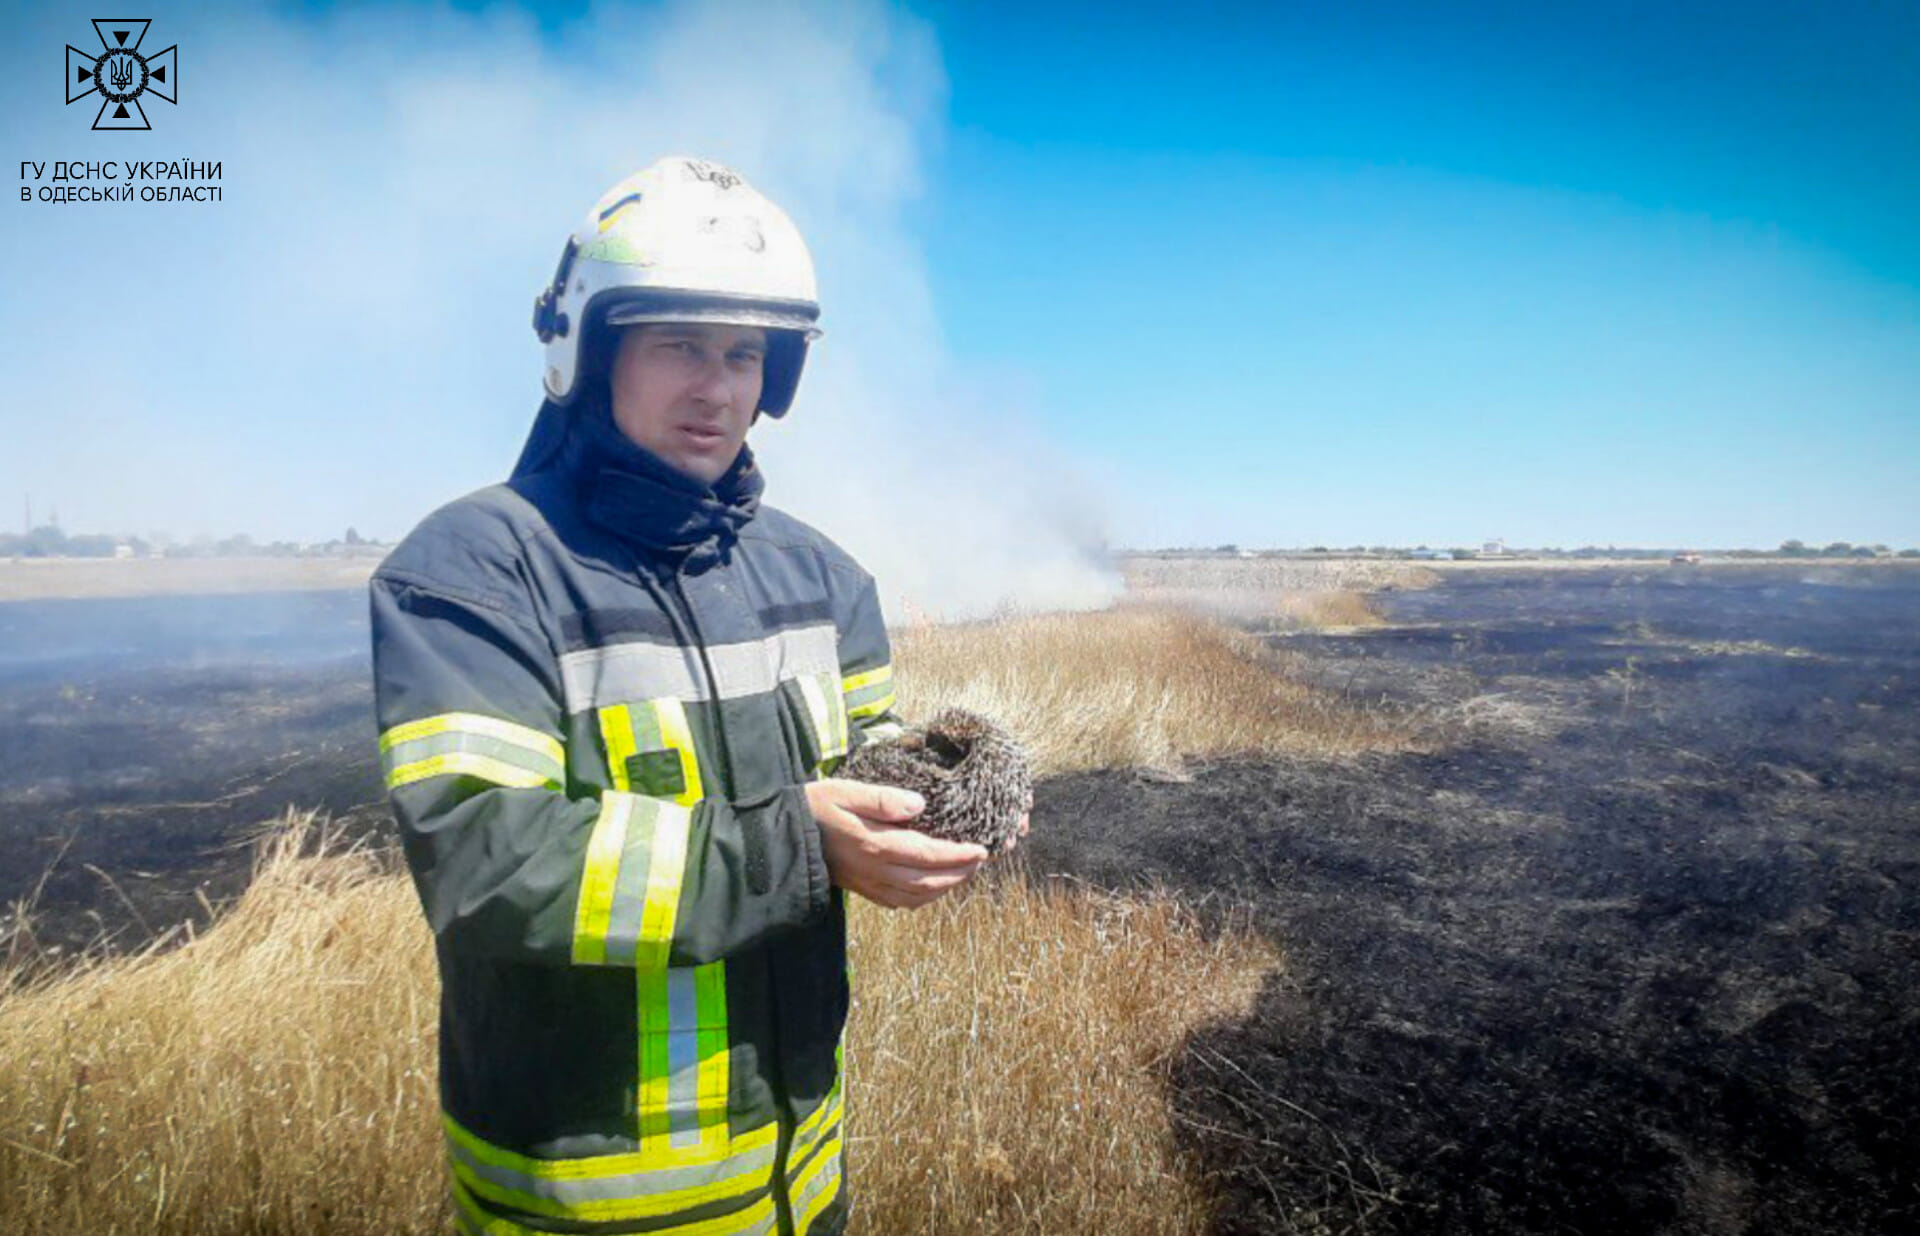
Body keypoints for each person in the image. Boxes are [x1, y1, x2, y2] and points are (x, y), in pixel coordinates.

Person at [370, 155, 1005, 1236]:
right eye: (678, 344)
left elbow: (867, 758)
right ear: (592, 349)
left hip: (799, 1182)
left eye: (745, 353)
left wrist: (952, 782)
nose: (717, 387)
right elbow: (482, 859)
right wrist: (797, 847)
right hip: (589, 1199)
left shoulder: (824, 578)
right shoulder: (475, 570)